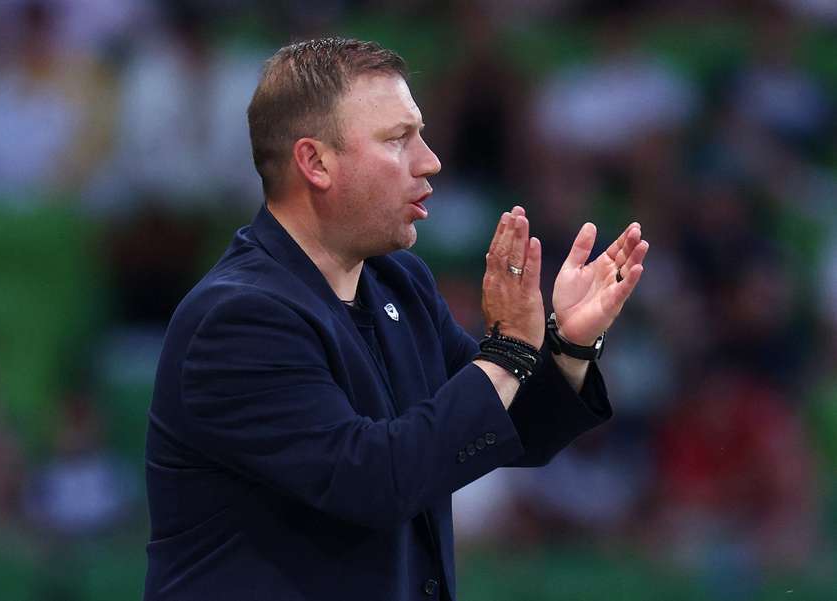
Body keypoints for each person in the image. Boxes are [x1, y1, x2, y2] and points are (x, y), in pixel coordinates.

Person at [144, 37, 648, 600]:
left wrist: (567, 346)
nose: (430, 160)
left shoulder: (399, 284)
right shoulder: (236, 320)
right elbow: (374, 482)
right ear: (315, 162)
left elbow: (509, 430)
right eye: (397, 139)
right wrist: (507, 349)